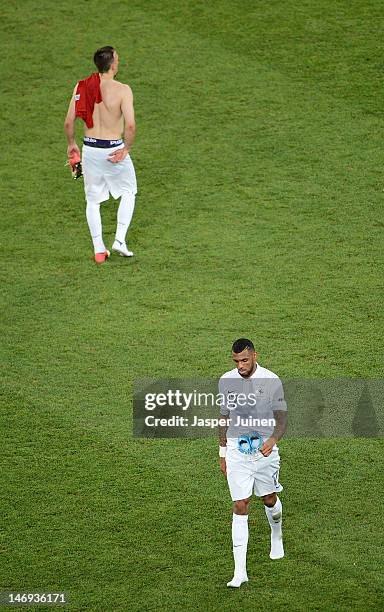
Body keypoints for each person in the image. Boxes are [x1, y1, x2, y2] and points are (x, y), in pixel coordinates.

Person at [218, 338, 288, 587]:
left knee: (268, 499)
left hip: (264, 453)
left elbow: (281, 421)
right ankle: (240, 572)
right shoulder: (227, 381)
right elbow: (224, 417)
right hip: (238, 452)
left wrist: (272, 440)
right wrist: (223, 452)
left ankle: (276, 535)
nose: (240, 365)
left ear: (255, 355)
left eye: (244, 360)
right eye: (236, 361)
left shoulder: (271, 381)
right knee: (240, 503)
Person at [64, 46, 137, 264]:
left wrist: (71, 145)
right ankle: (120, 240)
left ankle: (99, 249)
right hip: (114, 148)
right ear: (113, 63)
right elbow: (131, 126)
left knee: (92, 200)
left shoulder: (82, 86)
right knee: (129, 190)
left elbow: (69, 122)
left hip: (90, 150)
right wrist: (126, 149)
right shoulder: (123, 90)